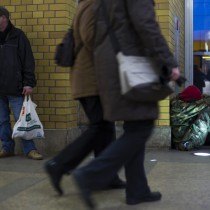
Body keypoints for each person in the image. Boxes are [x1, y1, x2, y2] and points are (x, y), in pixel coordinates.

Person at [71, 0, 181, 209]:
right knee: (140, 127)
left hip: (113, 64)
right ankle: (90, 174)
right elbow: (145, 24)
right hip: (129, 67)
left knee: (136, 125)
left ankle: (137, 189)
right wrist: (167, 61)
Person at [45, 0, 125, 195]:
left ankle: (107, 175)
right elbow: (92, 37)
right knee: (99, 127)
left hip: (94, 78)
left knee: (105, 128)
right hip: (91, 80)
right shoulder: (93, 5)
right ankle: (58, 164)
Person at [0, 6, 43, 160]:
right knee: (2, 121)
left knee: (23, 119)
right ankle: (7, 147)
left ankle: (30, 149)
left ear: (4, 17)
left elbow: (28, 61)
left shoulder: (18, 36)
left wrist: (28, 83)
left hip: (16, 87)